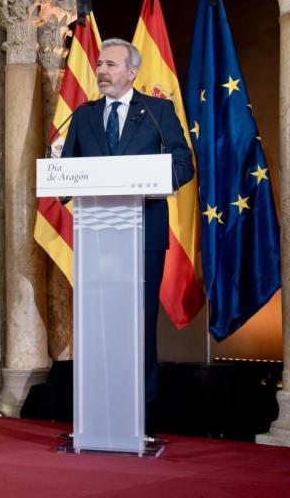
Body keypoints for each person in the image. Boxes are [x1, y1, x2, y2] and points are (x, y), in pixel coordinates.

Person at [59, 38, 195, 416]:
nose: (102, 71)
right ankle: (98, 406)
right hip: (97, 235)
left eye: (111, 65)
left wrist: (150, 180)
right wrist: (57, 182)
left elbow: (183, 163)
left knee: (139, 322)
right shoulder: (83, 115)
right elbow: (67, 169)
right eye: (100, 64)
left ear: (131, 72)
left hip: (144, 232)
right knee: (99, 320)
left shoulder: (158, 111)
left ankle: (142, 408)